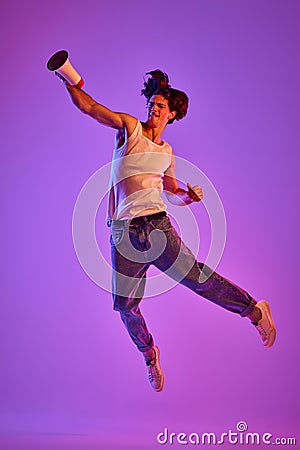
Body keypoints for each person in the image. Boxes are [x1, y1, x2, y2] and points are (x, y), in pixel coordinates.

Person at [60, 69, 276, 393]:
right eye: (151, 104)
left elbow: (171, 190)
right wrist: (69, 81)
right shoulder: (130, 129)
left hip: (157, 227)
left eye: (160, 106)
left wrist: (188, 195)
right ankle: (150, 354)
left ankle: (253, 310)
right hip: (123, 234)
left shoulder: (167, 152)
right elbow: (90, 108)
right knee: (124, 306)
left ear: (171, 113)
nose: (153, 110)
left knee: (198, 278)